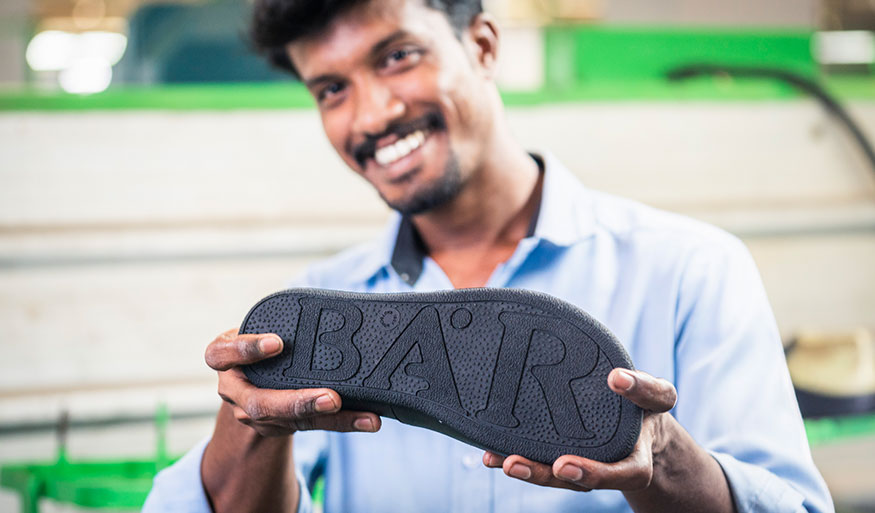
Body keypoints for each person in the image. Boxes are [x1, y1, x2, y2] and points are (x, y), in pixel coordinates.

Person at [144, 1, 834, 512]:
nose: (370, 114)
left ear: (481, 45)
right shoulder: (319, 312)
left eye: (395, 56)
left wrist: (662, 459)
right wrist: (249, 424)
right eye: (331, 89)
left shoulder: (690, 269)